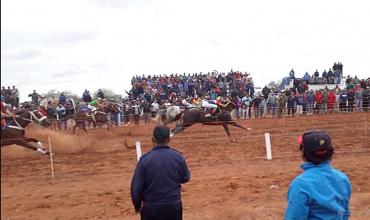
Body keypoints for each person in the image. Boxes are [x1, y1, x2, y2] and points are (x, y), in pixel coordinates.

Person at [285, 130, 351, 220]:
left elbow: (295, 217)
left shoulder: (300, 184)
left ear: (304, 153)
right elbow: (344, 213)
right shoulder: (343, 178)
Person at [131, 126, 190, 220]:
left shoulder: (145, 160)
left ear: (153, 139)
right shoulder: (178, 156)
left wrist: (137, 205)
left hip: (151, 207)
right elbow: (185, 178)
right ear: (169, 139)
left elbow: (136, 188)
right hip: (173, 206)